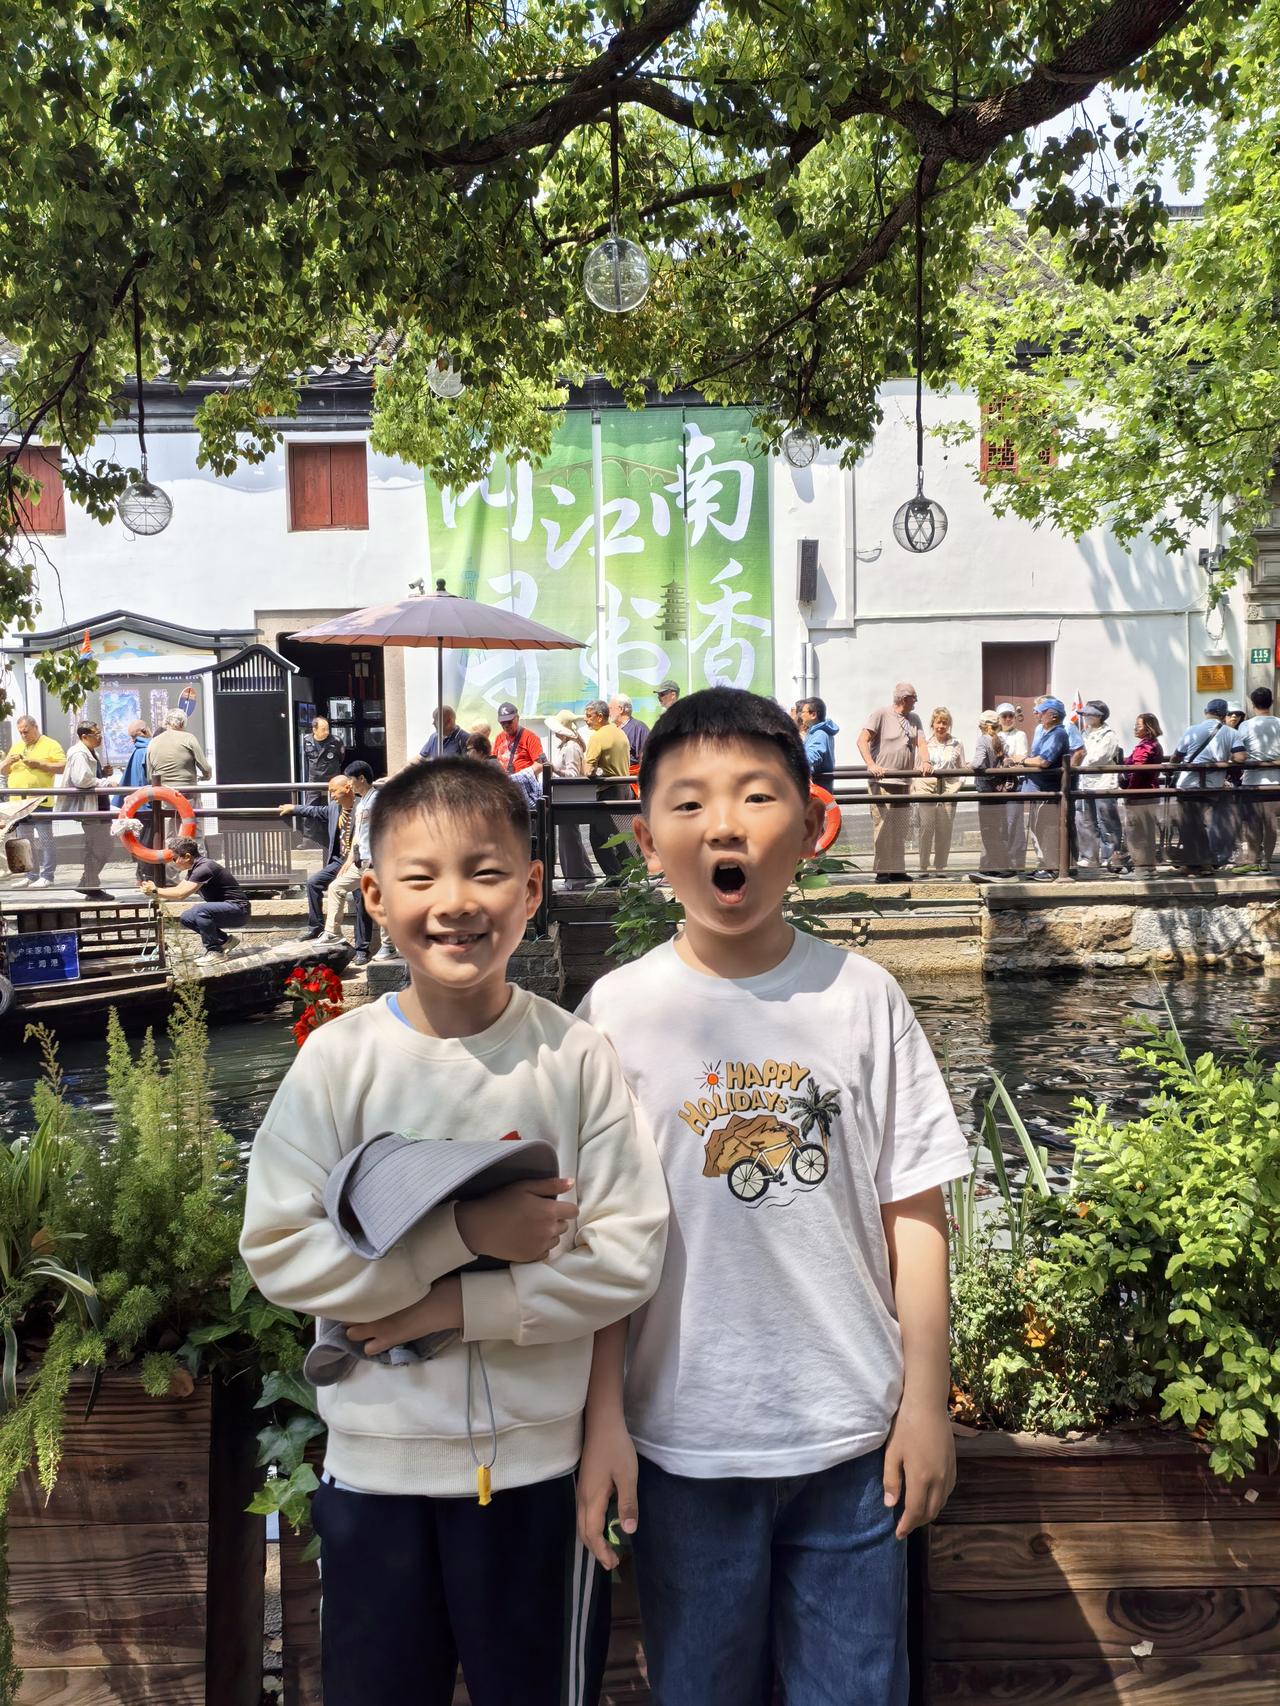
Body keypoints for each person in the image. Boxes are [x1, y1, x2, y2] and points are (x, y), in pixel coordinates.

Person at [240, 758, 668, 1706]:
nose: (454, 904)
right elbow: (277, 1249)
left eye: (483, 872)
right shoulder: (337, 1061)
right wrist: (462, 1232)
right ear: (374, 895)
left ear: (531, 888)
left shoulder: (574, 1056)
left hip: (538, 1474)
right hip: (373, 1474)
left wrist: (460, 1304)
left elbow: (629, 1254)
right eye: (421, 877)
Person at [575, 688, 970, 1706]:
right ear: (646, 838)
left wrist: (923, 1399)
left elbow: (912, 1213)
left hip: (852, 1439)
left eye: (756, 796)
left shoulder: (860, 997)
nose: (724, 823)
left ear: (809, 820)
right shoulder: (617, 1012)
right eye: (689, 801)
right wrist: (601, 1422)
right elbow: (601, 1239)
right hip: (680, 1444)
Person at [857, 683, 930, 884]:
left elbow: (921, 743)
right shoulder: (881, 714)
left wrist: (926, 761)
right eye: (914, 697)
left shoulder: (914, 719)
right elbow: (862, 740)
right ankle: (882, 870)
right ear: (904, 698)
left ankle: (897, 869)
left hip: (904, 781)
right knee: (883, 825)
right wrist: (871, 764)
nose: (916, 701)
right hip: (882, 781)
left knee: (900, 827)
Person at [141, 837, 250, 963]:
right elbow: (179, 889)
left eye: (175, 858)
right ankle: (225, 941)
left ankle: (215, 952)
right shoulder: (195, 868)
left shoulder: (204, 868)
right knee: (186, 917)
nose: (173, 862)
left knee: (200, 911)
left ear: (187, 856)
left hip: (239, 911)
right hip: (231, 910)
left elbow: (181, 894)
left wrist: (155, 890)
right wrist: (155, 890)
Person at [278, 773, 359, 941]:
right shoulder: (333, 808)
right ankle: (316, 927)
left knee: (361, 900)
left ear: (347, 788)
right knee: (313, 883)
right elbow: (315, 811)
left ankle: (362, 947)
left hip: (358, 863)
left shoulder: (362, 808)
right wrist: (294, 808)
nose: (331, 795)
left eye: (333, 791)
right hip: (339, 861)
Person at [318, 762, 380, 967]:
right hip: (360, 861)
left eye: (351, 780)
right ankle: (332, 932)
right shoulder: (361, 804)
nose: (349, 785)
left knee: (380, 905)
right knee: (335, 887)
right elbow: (358, 835)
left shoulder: (378, 800)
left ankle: (382, 947)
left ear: (361, 778)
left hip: (376, 863)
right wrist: (349, 859)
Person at [1169, 698, 1236, 873]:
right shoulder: (1231, 733)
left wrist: (1175, 762)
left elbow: (1176, 757)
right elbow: (1241, 757)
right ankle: (1199, 862)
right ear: (1224, 715)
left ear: (1206, 712)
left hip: (1189, 784)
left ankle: (1200, 863)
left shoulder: (1192, 730)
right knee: (1202, 824)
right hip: (1213, 786)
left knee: (1190, 824)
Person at [0, 713, 65, 887]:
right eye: (20, 732)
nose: (23, 735)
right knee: (25, 840)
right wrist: (7, 761)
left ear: (35, 727)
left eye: (26, 732)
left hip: (40, 801)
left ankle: (48, 875)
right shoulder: (17, 746)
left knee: (45, 839)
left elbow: (62, 766)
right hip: (19, 803)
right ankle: (31, 874)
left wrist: (40, 764)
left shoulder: (50, 744)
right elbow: (4, 771)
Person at [1020, 696, 1072, 880]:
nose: (1037, 715)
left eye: (1042, 712)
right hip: (1039, 788)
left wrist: (1022, 760)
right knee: (1038, 827)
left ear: (1053, 715)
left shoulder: (1058, 734)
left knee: (1047, 828)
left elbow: (1043, 760)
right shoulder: (1045, 732)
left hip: (1048, 789)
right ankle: (1044, 865)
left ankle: (1052, 868)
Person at [63, 721, 116, 899]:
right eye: (96, 734)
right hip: (91, 808)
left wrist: (103, 773)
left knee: (100, 846)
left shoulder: (90, 751)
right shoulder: (79, 753)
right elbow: (82, 779)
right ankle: (90, 885)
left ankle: (88, 883)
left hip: (99, 806)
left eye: (100, 733)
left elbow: (90, 775)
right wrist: (105, 781)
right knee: (100, 847)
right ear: (84, 736)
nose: (100, 737)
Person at [582, 699, 632, 882]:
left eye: (589, 716)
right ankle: (627, 876)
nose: (586, 720)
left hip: (608, 792)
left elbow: (588, 771)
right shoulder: (620, 734)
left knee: (598, 838)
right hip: (625, 789)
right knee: (620, 835)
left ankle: (616, 878)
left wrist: (590, 766)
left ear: (600, 717)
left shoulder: (597, 737)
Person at [912, 707, 966, 876]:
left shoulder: (957, 743)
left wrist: (958, 785)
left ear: (949, 724)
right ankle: (923, 866)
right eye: (938, 722)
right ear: (932, 724)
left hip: (948, 788)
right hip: (926, 787)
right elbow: (916, 766)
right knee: (926, 827)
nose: (941, 726)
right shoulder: (924, 743)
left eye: (945, 722)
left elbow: (962, 767)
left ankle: (941, 866)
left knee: (945, 828)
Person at [1232, 687, 1280, 869]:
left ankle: (1253, 860)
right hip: (1276, 781)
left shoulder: (1245, 726)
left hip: (1252, 781)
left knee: (1253, 823)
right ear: (1272, 702)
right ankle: (1267, 860)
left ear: (1252, 705)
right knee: (1271, 824)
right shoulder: (1279, 723)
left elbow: (1238, 752)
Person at [1076, 701, 1126, 871]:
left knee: (1107, 820)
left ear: (1100, 716)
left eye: (1091, 714)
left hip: (1104, 782)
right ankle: (1089, 856)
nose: (1087, 717)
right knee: (1085, 820)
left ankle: (1110, 855)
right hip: (1084, 782)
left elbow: (1100, 757)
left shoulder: (1109, 734)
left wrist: (1079, 761)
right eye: (1086, 714)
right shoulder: (1083, 733)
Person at [547, 710, 594, 888]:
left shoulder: (571, 747)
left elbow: (573, 774)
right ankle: (584, 875)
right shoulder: (571, 744)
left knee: (568, 838)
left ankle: (576, 879)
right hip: (567, 796)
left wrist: (555, 770)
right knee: (570, 837)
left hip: (568, 796)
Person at [1119, 714, 1165, 874]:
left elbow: (1137, 770)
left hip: (1140, 795)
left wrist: (1130, 792)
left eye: (1138, 725)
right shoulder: (1154, 744)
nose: (1134, 728)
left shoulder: (1145, 746)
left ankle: (1142, 869)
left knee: (1137, 833)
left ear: (1148, 728)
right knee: (1147, 832)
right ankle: (1148, 867)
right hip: (1150, 792)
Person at [971, 711, 1010, 877]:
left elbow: (978, 763)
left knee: (988, 830)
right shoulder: (1000, 740)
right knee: (997, 829)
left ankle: (995, 868)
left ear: (981, 726)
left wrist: (970, 765)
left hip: (986, 790)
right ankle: (990, 866)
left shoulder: (982, 739)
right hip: (998, 790)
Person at [994, 703, 1028, 870]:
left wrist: (1010, 760)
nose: (1007, 719)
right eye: (1004, 716)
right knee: (1000, 822)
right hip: (998, 783)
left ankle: (1016, 862)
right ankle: (1002, 860)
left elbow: (1021, 756)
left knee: (1014, 820)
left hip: (1014, 782)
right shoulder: (995, 735)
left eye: (1010, 716)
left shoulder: (1020, 735)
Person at [146, 709, 212, 789]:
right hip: (187, 793)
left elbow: (150, 776)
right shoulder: (189, 738)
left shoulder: (153, 742)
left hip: (164, 795)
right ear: (182, 723)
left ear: (166, 722)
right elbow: (205, 767)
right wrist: (205, 777)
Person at [797, 697, 839, 792]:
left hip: (817, 792)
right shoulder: (818, 732)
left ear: (813, 714)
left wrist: (792, 762)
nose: (800, 715)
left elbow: (812, 756)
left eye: (803, 712)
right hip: (819, 790)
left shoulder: (819, 734)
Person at [493, 702, 544, 773]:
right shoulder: (499, 737)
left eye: (509, 721)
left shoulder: (530, 737)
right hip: (503, 782)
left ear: (517, 718)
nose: (506, 725)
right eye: (502, 722)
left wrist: (521, 776)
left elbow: (540, 765)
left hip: (523, 782)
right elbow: (493, 761)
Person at [609, 696, 650, 767]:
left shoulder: (639, 728)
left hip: (629, 776)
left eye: (610, 708)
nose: (609, 712)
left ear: (621, 709)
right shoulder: (612, 729)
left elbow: (646, 756)